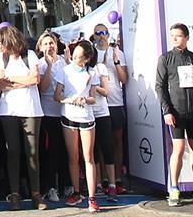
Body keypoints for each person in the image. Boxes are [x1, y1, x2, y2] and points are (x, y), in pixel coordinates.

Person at [155, 23, 193, 207]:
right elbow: (160, 86)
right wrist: (167, 111)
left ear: (187, 37)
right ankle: (174, 188)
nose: (174, 38)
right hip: (176, 112)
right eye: (172, 35)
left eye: (178, 35)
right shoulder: (166, 58)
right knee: (179, 149)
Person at [0, 25, 46, 211]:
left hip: (30, 109)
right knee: (13, 151)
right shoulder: (1, 58)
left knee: (32, 152)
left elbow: (35, 79)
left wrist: (13, 81)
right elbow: (0, 83)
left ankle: (35, 193)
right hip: (9, 111)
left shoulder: (30, 55)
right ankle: (14, 193)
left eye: (1, 41)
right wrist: (22, 81)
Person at [53, 40, 99, 213]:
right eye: (73, 55)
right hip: (69, 117)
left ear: (86, 59)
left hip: (86, 117)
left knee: (88, 157)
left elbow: (93, 98)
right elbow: (57, 96)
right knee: (73, 157)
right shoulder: (64, 71)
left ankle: (92, 198)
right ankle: (76, 191)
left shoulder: (92, 73)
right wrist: (68, 99)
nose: (74, 59)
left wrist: (85, 99)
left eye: (78, 57)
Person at [90, 24, 125, 199]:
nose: (102, 35)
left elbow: (124, 78)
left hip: (115, 101)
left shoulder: (117, 52)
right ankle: (102, 178)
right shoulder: (91, 54)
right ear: (94, 36)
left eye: (104, 32)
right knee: (100, 144)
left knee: (116, 140)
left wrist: (116, 61)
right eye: (98, 33)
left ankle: (117, 178)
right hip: (98, 105)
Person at [34, 33, 67, 204]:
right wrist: (48, 67)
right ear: (40, 47)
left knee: (64, 151)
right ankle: (50, 187)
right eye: (45, 43)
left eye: (52, 42)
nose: (49, 46)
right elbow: (43, 87)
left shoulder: (64, 60)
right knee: (51, 151)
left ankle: (65, 185)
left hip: (65, 111)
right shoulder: (39, 64)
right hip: (48, 113)